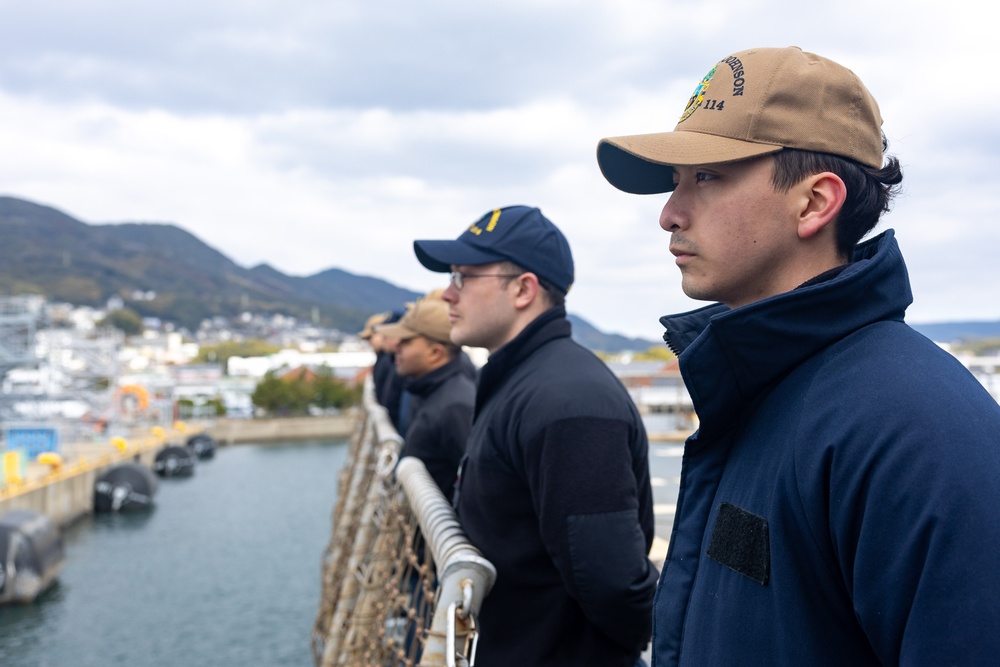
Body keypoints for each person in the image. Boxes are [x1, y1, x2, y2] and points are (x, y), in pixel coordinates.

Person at [595, 46, 1000, 666]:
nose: (668, 214)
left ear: (814, 202)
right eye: (676, 183)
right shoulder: (762, 390)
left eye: (705, 177)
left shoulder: (916, 430)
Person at [412, 205, 658, 667]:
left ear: (523, 289)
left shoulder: (567, 400)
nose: (447, 294)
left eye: (463, 277)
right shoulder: (524, 381)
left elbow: (614, 585)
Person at [375, 292, 474, 500]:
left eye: (407, 341)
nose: (396, 347)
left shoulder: (455, 406)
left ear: (435, 353)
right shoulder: (431, 392)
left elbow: (477, 486)